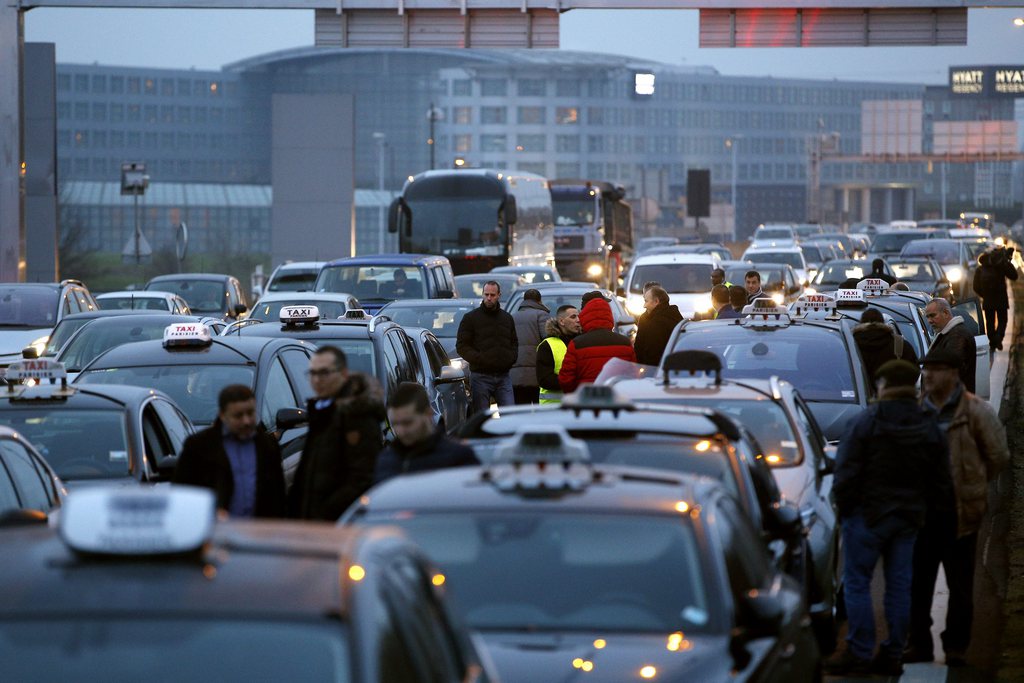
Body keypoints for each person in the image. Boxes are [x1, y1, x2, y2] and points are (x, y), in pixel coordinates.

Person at [825, 360, 953, 677]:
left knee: (857, 584)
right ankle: (894, 651)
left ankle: (859, 650)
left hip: (866, 515)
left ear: (882, 385)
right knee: (899, 586)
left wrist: (848, 509)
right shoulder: (928, 423)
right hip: (908, 517)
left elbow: (845, 472)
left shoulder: (865, 421)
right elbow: (941, 478)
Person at [905, 347, 1009, 667]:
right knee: (918, 584)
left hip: (960, 512)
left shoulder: (975, 411)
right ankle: (919, 642)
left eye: (935, 369)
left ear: (953, 374)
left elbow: (997, 457)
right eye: (926, 369)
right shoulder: (917, 412)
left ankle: (956, 647)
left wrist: (972, 483)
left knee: (960, 585)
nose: (928, 375)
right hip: (922, 514)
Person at [289, 346, 386, 521]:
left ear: (343, 374)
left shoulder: (358, 415)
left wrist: (324, 512)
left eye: (324, 373)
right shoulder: (321, 410)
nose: (317, 380)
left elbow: (362, 478)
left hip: (339, 524)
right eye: (313, 373)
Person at [173, 384, 286, 518]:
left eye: (250, 413)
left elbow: (278, 494)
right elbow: (182, 493)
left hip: (259, 533)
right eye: (238, 416)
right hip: (216, 533)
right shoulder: (199, 446)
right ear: (222, 415)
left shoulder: (267, 445)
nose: (246, 421)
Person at [373, 382, 478, 484]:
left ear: (428, 414)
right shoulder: (385, 461)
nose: (401, 431)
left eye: (407, 423)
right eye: (395, 424)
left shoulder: (458, 457)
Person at [456, 280, 518, 412]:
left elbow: (514, 343)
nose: (489, 298)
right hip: (480, 376)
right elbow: (462, 346)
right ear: (483, 294)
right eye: (486, 294)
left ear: (499, 295)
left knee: (510, 415)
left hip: (503, 376)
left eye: (492, 295)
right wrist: (480, 358)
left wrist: (510, 358)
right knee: (481, 418)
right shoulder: (471, 318)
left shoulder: (507, 318)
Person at [559, 293, 636, 393]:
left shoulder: (577, 344)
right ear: (609, 315)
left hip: (586, 400)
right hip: (616, 400)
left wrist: (577, 394)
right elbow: (633, 376)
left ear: (585, 316)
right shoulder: (624, 343)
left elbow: (565, 380)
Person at [852, 307, 918, 384]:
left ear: (861, 323)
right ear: (883, 323)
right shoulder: (900, 345)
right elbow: (914, 373)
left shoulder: (848, 345)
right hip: (893, 394)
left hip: (856, 394)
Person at [924, 297, 976, 393]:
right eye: (927, 317)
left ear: (946, 313)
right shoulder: (950, 334)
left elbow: (950, 370)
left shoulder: (957, 336)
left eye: (932, 315)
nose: (929, 321)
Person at [972, 246, 1018, 351]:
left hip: (988, 300)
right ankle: (998, 338)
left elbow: (975, 287)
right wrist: (1007, 262)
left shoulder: (981, 269)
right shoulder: (1001, 266)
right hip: (1001, 299)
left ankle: (993, 341)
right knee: (1003, 320)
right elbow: (1014, 276)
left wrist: (984, 295)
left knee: (990, 322)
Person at [509, 289, 550, 404]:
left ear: (524, 300)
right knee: (538, 412)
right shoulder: (542, 315)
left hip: (515, 376)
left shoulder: (512, 317)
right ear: (539, 301)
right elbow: (548, 340)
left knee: (521, 410)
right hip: (537, 375)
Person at [536, 304, 581, 404]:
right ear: (561, 321)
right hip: (552, 409)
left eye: (578, 316)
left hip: (577, 408)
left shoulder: (582, 342)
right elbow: (545, 380)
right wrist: (574, 381)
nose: (578, 320)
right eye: (573, 317)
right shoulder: (547, 345)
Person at [633, 285, 683, 366]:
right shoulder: (675, 317)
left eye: (646, 301)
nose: (644, 306)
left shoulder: (655, 323)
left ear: (656, 301)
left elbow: (650, 354)